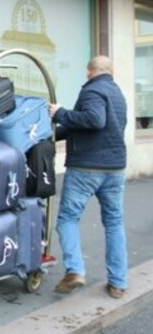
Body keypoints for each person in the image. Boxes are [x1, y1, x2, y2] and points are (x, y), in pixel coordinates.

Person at [48, 55, 128, 299]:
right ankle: (118, 283)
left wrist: (60, 112)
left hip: (87, 168)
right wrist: (52, 135)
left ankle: (75, 271)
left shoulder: (92, 91)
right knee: (114, 223)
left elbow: (94, 120)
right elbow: (90, 126)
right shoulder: (117, 94)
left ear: (88, 71)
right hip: (114, 168)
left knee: (67, 219)